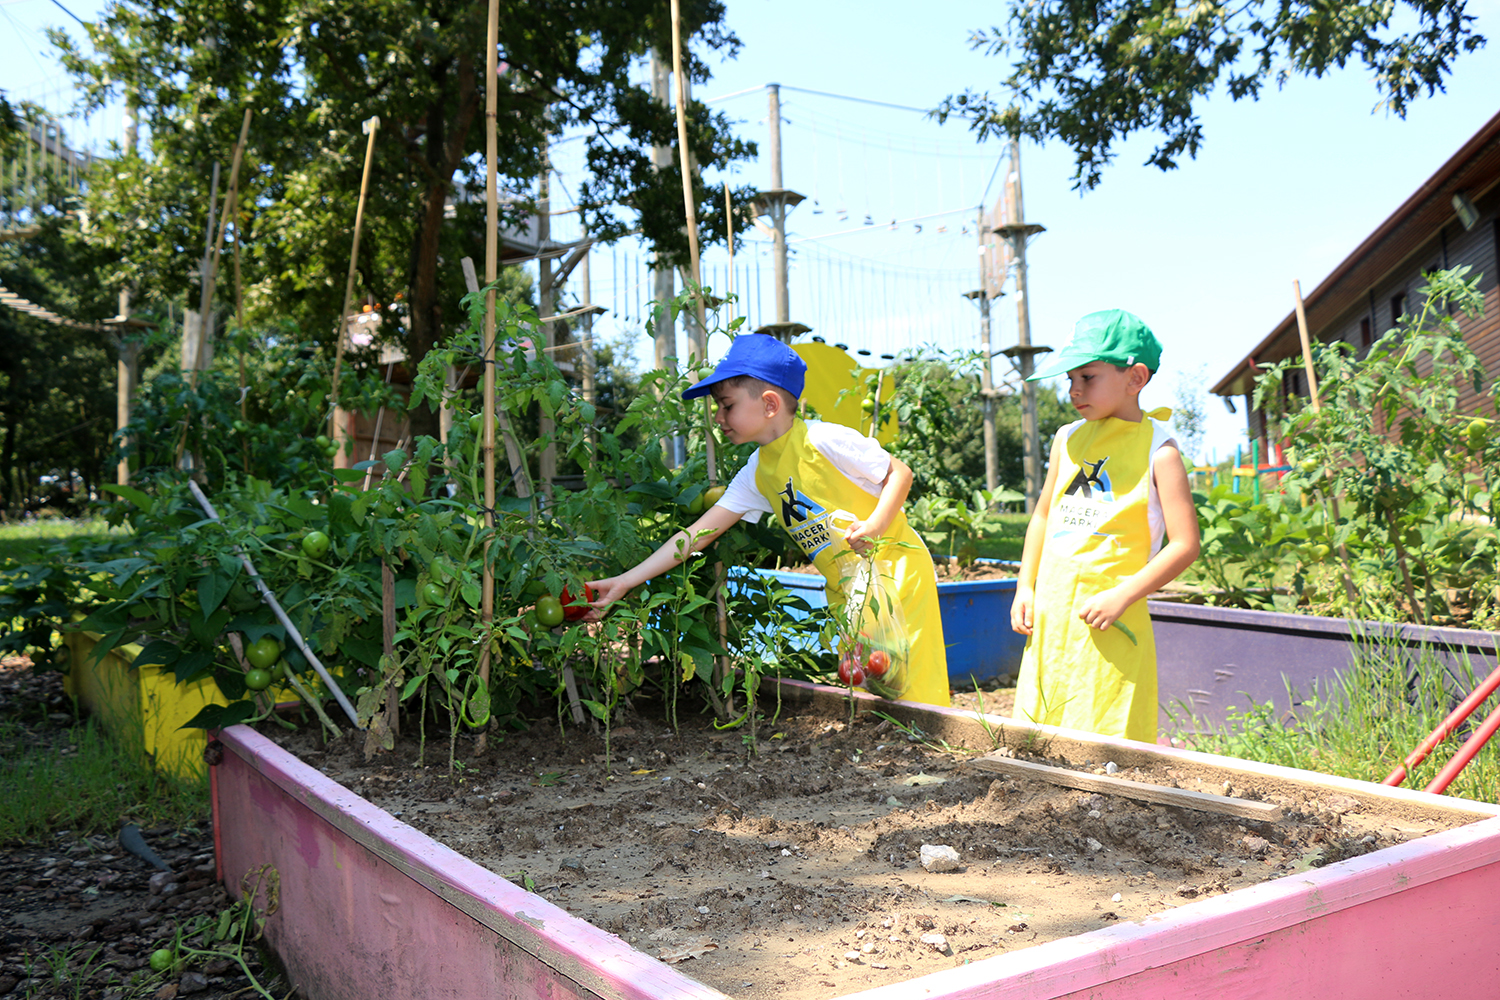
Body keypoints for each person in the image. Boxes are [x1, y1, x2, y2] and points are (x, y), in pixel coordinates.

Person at [587, 334, 951, 707]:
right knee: (877, 685)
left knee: (918, 689)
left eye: (726, 405)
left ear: (770, 404)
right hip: (851, 591)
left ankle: (940, 757)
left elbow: (900, 473)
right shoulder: (757, 472)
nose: (717, 417)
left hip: (898, 573)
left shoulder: (824, 439)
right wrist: (626, 580)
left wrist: (874, 525)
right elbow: (697, 535)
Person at [1009, 310, 1200, 742]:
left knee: (1105, 735)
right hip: (1052, 612)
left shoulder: (1160, 451)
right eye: (1069, 379)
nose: (1075, 390)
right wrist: (1025, 586)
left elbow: (1185, 544)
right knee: (1038, 733)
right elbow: (1042, 515)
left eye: (1088, 377)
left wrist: (1122, 595)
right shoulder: (1067, 438)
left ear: (1135, 378)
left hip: (1112, 618)